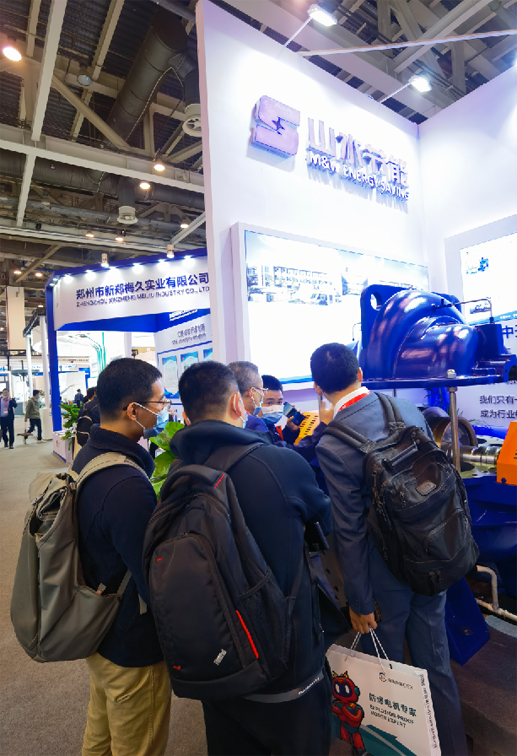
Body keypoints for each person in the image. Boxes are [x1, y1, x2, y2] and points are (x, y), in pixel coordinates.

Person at [312, 343, 468, 756]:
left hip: (383, 577)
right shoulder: (406, 409)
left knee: (386, 675)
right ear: (360, 374)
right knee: (436, 666)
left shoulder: (332, 444)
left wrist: (359, 600)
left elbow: (349, 530)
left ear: (318, 388)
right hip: (432, 553)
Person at [172, 361, 332, 756]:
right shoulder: (279, 463)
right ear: (236, 403)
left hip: (219, 660)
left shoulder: (178, 474)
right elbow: (323, 522)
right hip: (287, 664)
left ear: (186, 414)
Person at [73, 359, 171, 756]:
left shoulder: (91, 454)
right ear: (134, 410)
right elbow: (152, 575)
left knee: (100, 736)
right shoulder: (127, 484)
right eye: (160, 403)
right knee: (137, 744)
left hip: (100, 627)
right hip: (131, 644)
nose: (163, 410)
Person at [228, 361, 329, 463]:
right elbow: (289, 457)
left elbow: (277, 444)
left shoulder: (265, 425)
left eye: (280, 402)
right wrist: (323, 426)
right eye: (269, 402)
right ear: (252, 394)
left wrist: (290, 431)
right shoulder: (255, 426)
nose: (275, 407)